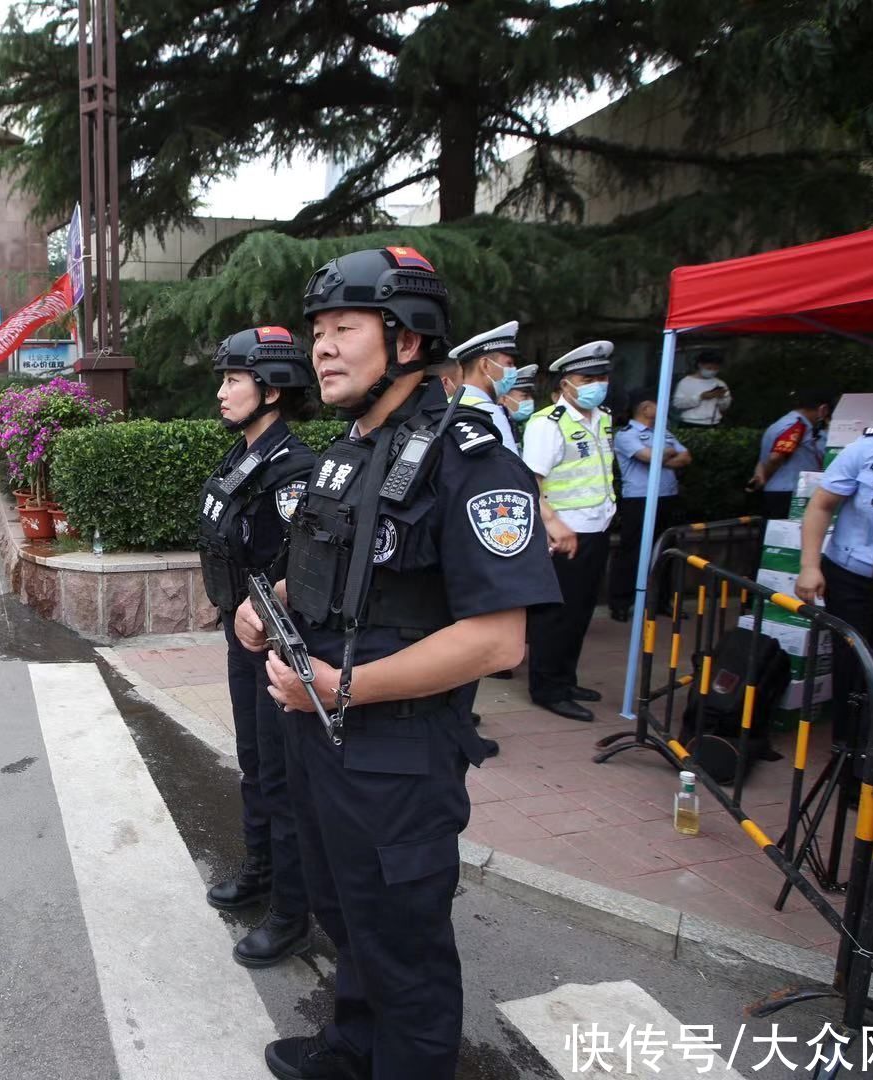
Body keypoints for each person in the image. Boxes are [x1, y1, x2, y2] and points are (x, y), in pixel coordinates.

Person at [235, 247, 559, 1080]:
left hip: (396, 758)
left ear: (408, 342)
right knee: (346, 914)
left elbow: (498, 639)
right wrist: (262, 599)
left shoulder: (472, 453)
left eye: (346, 328)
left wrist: (344, 690)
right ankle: (352, 1050)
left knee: (405, 951)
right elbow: (322, 557)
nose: (323, 348)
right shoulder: (346, 448)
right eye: (318, 332)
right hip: (320, 735)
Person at [195, 326, 318, 968]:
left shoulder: (293, 467)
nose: (221, 392)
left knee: (282, 773)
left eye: (232, 380)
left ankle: (292, 913)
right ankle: (260, 871)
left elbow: (307, 558)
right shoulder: (244, 455)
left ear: (271, 390)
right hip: (239, 634)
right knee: (253, 761)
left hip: (276, 643)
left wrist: (267, 595)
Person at [795, 413, 873, 739]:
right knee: (851, 673)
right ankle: (847, 767)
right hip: (851, 579)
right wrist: (809, 566)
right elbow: (821, 505)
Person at [521, 341, 618, 722]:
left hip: (597, 525)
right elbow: (531, 480)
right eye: (587, 378)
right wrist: (553, 525)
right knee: (556, 615)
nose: (597, 384)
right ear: (566, 384)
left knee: (581, 611)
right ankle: (547, 687)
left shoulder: (603, 418)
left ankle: (566, 678)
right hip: (565, 532)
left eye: (602, 377)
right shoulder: (549, 423)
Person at [608, 386, 692, 622]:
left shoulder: (662, 432)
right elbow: (647, 458)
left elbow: (685, 457)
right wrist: (664, 454)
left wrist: (659, 455)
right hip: (639, 500)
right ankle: (621, 603)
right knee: (632, 551)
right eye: (658, 403)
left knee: (666, 550)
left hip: (667, 497)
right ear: (646, 408)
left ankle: (661, 601)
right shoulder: (626, 435)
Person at [752, 389, 831, 521]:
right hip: (791, 494)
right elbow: (776, 456)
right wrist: (766, 474)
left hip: (776, 492)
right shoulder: (797, 426)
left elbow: (763, 460)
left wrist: (761, 475)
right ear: (823, 409)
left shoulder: (777, 425)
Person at [447, 320, 522, 452]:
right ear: (486, 365)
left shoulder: (446, 405)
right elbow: (511, 470)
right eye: (509, 364)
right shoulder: (490, 413)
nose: (513, 370)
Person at [671, 349, 733, 428]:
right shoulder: (686, 382)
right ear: (700, 365)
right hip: (690, 422)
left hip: (713, 423)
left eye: (715, 368)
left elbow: (724, 407)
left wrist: (722, 398)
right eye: (709, 368)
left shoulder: (720, 383)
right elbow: (677, 404)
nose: (712, 371)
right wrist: (700, 397)